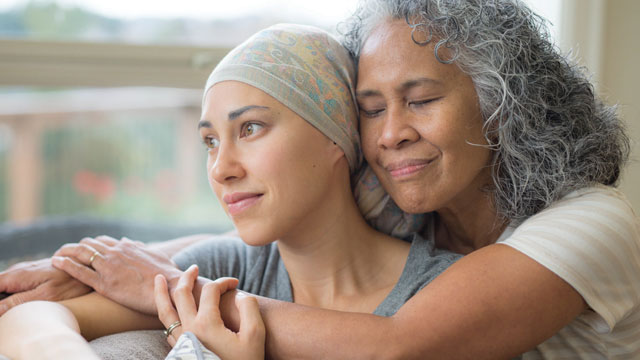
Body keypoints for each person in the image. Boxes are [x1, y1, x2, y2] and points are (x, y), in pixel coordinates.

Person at [1, 0, 639, 358]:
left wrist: (170, 292)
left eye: (420, 100)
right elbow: (268, 233)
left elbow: (399, 344)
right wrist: (84, 265)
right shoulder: (409, 200)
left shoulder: (593, 222)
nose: (389, 135)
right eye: (369, 109)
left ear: (503, 107)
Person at [0, 23, 459, 360]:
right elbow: (31, 318)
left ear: (336, 134)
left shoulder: (443, 294)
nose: (221, 169)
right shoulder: (228, 268)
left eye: (251, 127)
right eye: (210, 141)